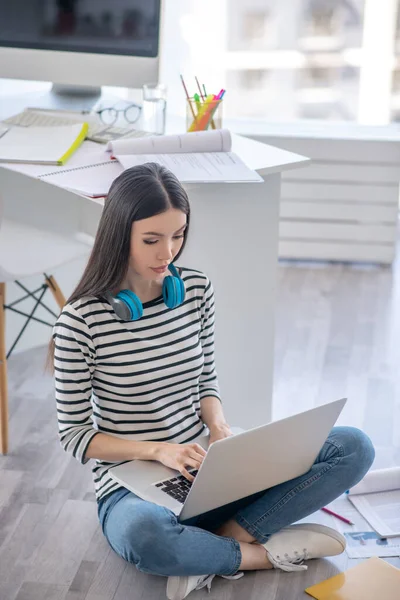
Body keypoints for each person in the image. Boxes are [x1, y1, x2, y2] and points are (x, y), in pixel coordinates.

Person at [51, 163, 375, 600]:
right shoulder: (80, 321)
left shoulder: (196, 289)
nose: (168, 252)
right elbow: (74, 435)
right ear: (118, 234)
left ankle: (219, 542)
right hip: (133, 486)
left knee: (354, 446)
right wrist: (158, 450)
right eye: (151, 239)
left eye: (178, 235)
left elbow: (206, 379)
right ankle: (264, 552)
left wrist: (221, 429)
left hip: (208, 468)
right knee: (146, 537)